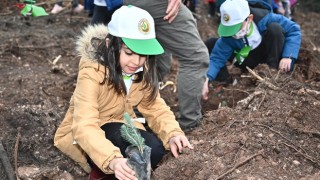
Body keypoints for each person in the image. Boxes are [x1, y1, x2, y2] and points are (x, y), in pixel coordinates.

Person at [53, 5, 193, 180]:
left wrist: (173, 133)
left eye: (143, 55)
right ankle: (100, 172)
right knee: (124, 158)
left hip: (122, 123)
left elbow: (153, 105)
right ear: (110, 44)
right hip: (91, 131)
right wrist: (113, 160)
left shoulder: (140, 67)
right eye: (129, 53)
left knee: (154, 151)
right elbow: (84, 125)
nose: (137, 61)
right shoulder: (91, 72)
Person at [202, 0, 301, 100]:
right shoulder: (228, 38)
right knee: (211, 43)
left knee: (275, 28)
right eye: (230, 29)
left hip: (269, 55)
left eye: (236, 27)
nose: (234, 33)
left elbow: (294, 29)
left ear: (249, 19)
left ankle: (273, 72)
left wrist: (288, 56)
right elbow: (216, 58)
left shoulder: (265, 18)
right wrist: (207, 79)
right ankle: (225, 80)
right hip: (246, 59)